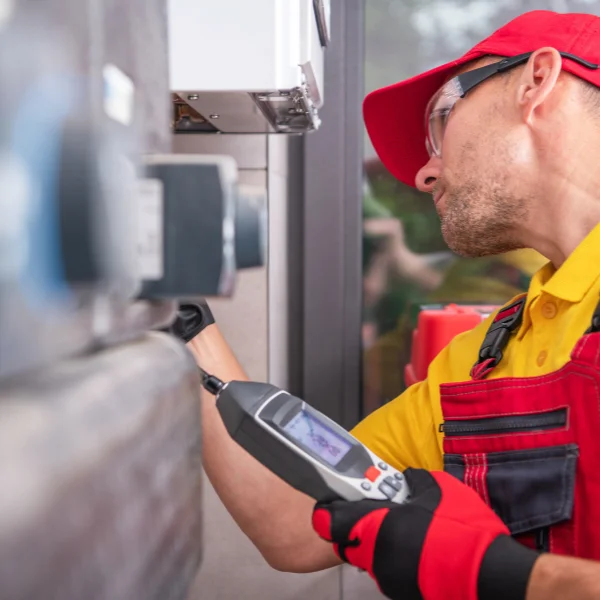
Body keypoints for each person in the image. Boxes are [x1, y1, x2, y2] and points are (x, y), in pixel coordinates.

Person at [166, 10, 600, 600]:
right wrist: (182, 315)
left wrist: (513, 577)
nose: (424, 174)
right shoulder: (487, 359)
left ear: (537, 82)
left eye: (438, 125)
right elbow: (297, 519)